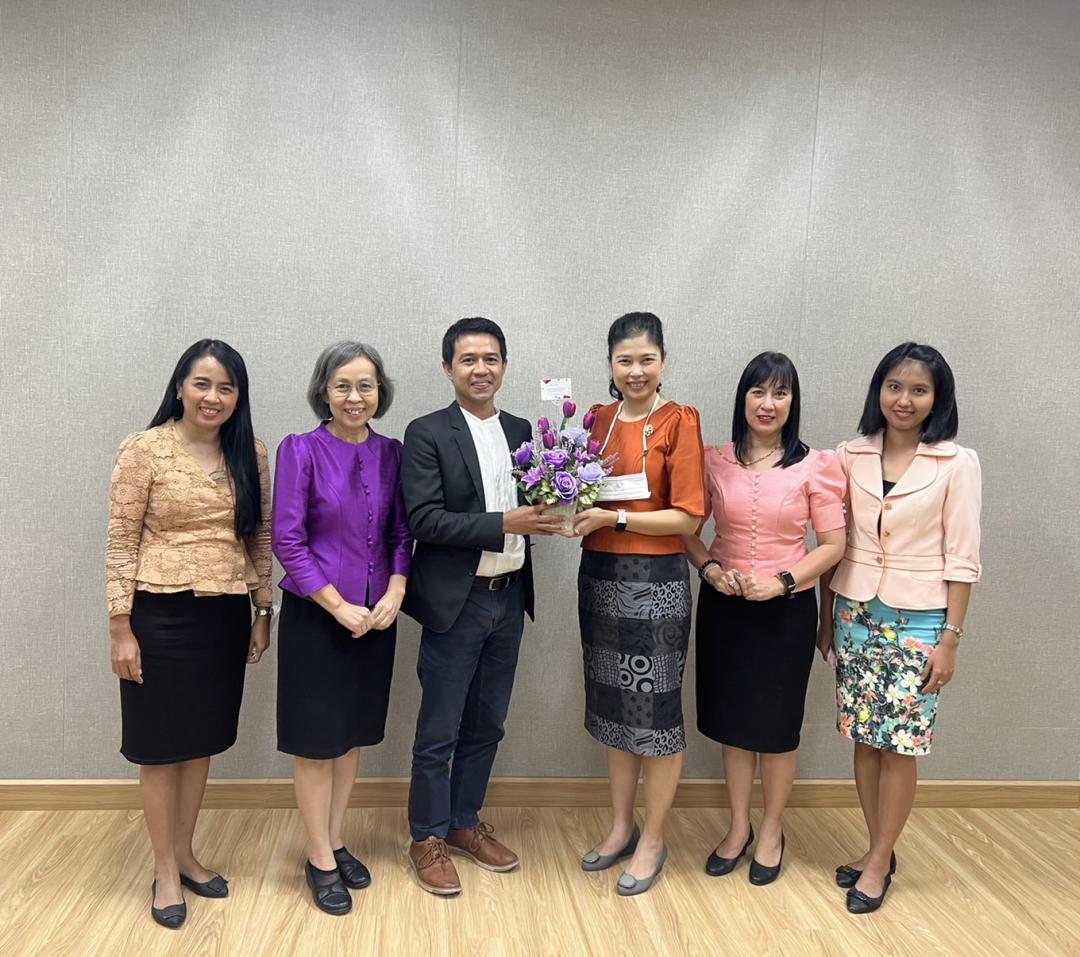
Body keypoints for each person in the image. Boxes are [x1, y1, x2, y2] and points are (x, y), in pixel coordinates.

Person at [106, 339, 272, 929]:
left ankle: (185, 852)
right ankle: (165, 871)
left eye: (226, 387)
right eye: (202, 383)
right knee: (159, 748)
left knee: (200, 741)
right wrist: (120, 627)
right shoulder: (144, 449)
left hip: (224, 615)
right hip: (158, 615)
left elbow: (259, 537)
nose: (213, 397)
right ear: (180, 386)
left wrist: (263, 610)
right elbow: (121, 540)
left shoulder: (250, 452)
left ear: (238, 397)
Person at [401, 317, 565, 896]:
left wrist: (562, 506)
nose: (480, 369)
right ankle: (426, 836)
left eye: (490, 358)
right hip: (458, 603)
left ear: (504, 366)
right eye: (468, 359)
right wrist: (505, 523)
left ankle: (464, 822)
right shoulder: (426, 432)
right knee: (439, 729)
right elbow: (424, 520)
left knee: (488, 724)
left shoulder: (523, 430)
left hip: (510, 598)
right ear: (448, 368)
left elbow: (540, 497)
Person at [818, 342, 981, 914]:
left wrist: (951, 639)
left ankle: (881, 860)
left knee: (900, 744)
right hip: (855, 612)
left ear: (938, 398)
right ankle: (875, 849)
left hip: (920, 620)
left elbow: (963, 559)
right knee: (865, 738)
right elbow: (833, 542)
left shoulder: (956, 463)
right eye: (894, 387)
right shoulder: (849, 454)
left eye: (919, 390)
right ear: (878, 391)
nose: (904, 399)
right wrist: (824, 619)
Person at [682, 352, 846, 885]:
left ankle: (772, 829)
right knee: (733, 725)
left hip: (786, 612)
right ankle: (738, 827)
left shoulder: (816, 465)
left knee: (776, 728)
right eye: (758, 391)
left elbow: (834, 544)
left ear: (793, 402)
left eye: (780, 393)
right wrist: (710, 570)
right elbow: (687, 530)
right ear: (743, 398)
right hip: (725, 608)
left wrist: (783, 582)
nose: (768, 403)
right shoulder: (714, 460)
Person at [272, 341, 411, 916]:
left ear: (380, 392)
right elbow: (288, 540)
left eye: (365, 386)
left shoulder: (393, 452)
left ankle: (334, 839)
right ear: (324, 392)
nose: (355, 397)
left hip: (376, 617)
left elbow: (401, 533)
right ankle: (318, 857)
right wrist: (336, 605)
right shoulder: (300, 449)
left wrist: (396, 590)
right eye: (343, 386)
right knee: (315, 743)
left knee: (350, 736)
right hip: (318, 615)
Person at [571, 312, 705, 896]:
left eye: (646, 359)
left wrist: (616, 518)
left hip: (656, 583)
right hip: (600, 575)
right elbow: (579, 496)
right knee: (614, 708)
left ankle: (653, 838)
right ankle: (621, 826)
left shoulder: (679, 420)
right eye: (624, 360)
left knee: (656, 715)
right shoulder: (595, 421)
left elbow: (689, 517)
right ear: (610, 364)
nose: (635, 370)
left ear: (663, 362)